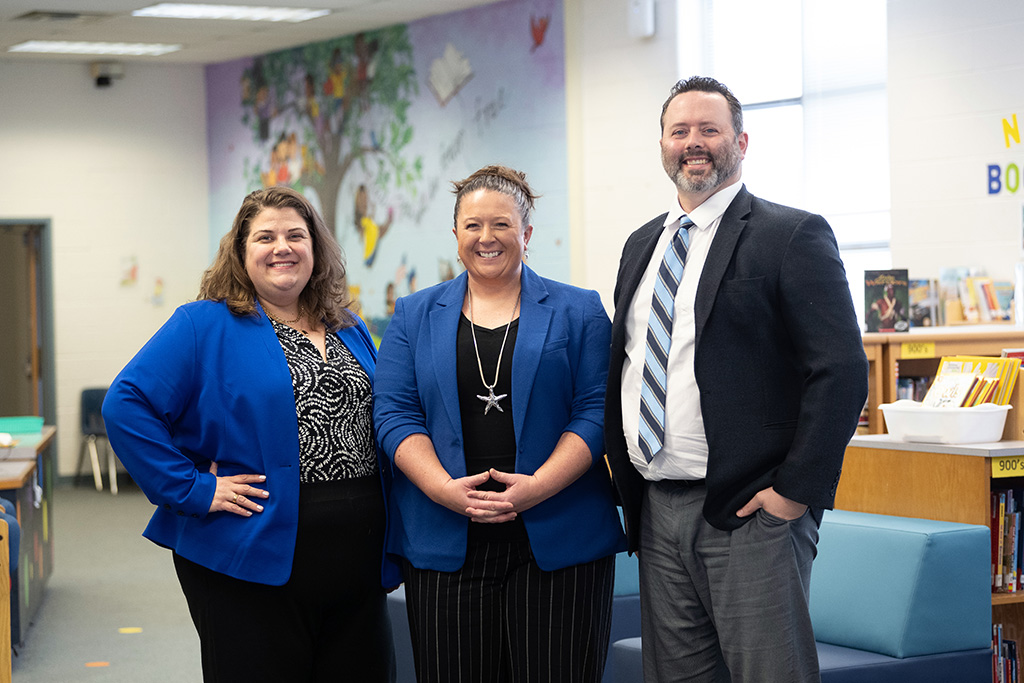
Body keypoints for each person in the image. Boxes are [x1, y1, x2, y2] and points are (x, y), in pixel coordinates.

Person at [604, 76, 869, 682]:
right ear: (663, 145)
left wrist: (792, 496)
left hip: (754, 512)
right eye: (679, 131)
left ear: (740, 141)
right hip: (657, 506)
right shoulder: (641, 244)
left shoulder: (790, 235)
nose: (693, 143)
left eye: (709, 129)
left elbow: (842, 371)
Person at [102, 186, 400, 683]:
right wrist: (193, 487)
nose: (282, 246)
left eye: (295, 235)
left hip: (357, 560)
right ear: (241, 253)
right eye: (265, 236)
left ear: (316, 249)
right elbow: (126, 405)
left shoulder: (349, 326)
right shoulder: (204, 324)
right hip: (249, 557)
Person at [374, 165, 626, 682]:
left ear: (526, 234)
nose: (486, 238)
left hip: (560, 539)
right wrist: (443, 489)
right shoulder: (414, 315)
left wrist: (538, 487)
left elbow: (598, 408)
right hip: (445, 536)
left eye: (502, 225)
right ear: (456, 234)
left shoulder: (578, 310)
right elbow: (395, 413)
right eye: (472, 226)